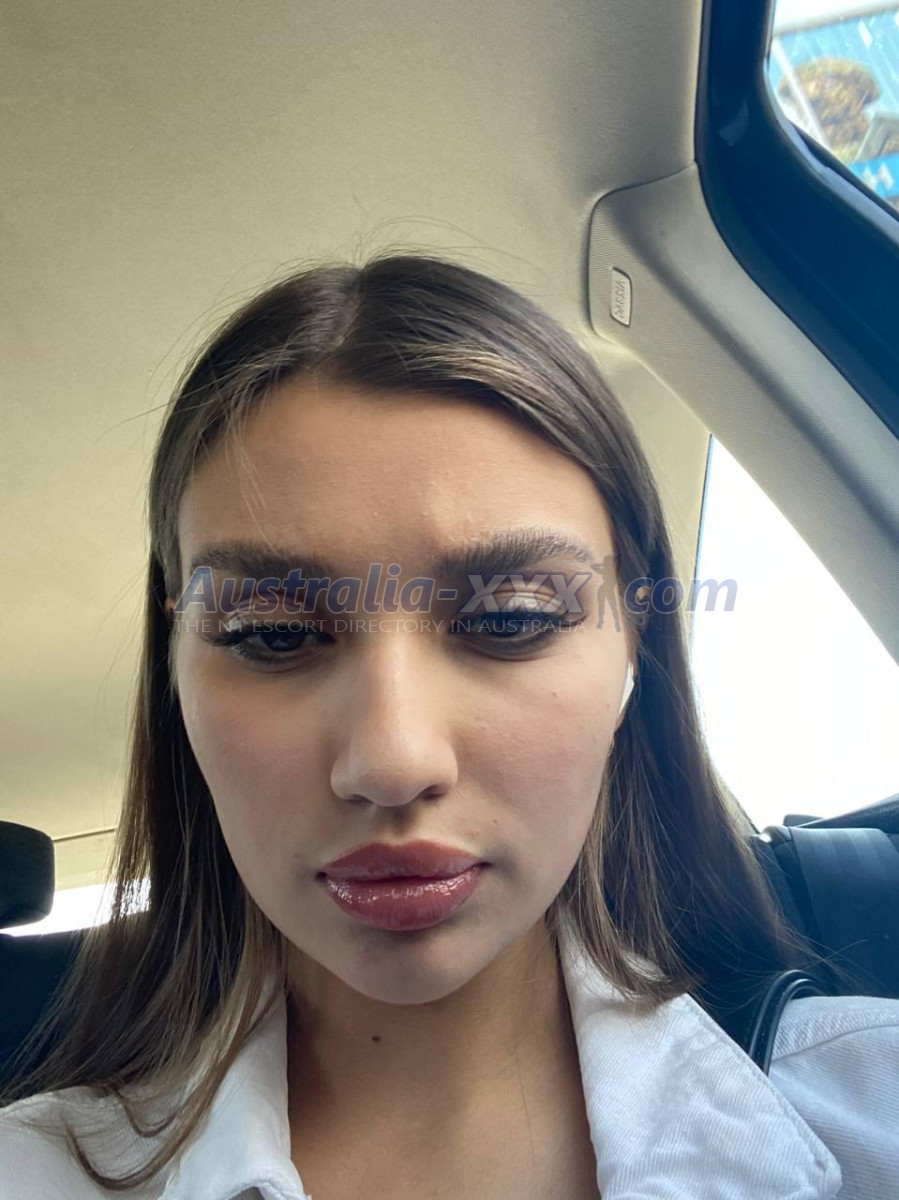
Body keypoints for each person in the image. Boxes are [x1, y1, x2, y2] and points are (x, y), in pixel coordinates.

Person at [0, 253, 896, 1199]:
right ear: (177, 672)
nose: (391, 761)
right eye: (271, 633)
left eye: (510, 619)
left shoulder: (869, 1106)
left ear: (634, 651)